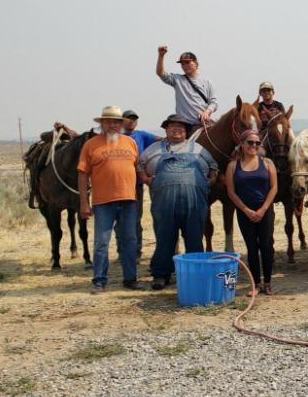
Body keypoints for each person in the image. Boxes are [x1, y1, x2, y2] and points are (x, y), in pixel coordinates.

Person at [138, 114, 218, 290]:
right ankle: (161, 275)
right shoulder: (153, 150)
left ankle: (196, 275)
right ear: (166, 129)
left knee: (194, 240)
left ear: (186, 131)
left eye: (181, 127)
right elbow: (140, 166)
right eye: (172, 126)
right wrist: (147, 179)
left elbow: (213, 167)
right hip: (164, 205)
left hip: (194, 204)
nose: (177, 129)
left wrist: (209, 182)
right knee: (165, 239)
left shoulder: (197, 148)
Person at [77, 106, 144, 293]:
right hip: (102, 203)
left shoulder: (130, 143)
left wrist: (148, 179)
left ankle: (130, 279)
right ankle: (99, 281)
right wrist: (84, 202)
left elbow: (137, 169)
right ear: (101, 124)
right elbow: (82, 175)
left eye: (116, 121)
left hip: (129, 201)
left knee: (129, 241)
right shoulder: (91, 145)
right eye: (108, 121)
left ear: (121, 124)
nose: (112, 125)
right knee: (101, 242)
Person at [226, 129, 278, 296]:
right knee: (251, 246)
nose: (254, 146)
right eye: (250, 142)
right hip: (244, 212)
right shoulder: (233, 166)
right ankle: (255, 284)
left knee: (266, 245)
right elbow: (231, 192)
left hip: (265, 211)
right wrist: (246, 210)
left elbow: (274, 188)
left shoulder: (268, 163)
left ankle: (268, 282)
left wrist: (263, 209)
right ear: (241, 144)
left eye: (257, 143)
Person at [120, 110, 160, 260]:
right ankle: (121, 249)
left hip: (137, 183)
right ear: (122, 120)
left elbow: (162, 140)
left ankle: (136, 250)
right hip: (120, 182)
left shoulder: (142, 135)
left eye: (134, 119)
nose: (131, 121)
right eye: (128, 118)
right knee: (120, 219)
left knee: (136, 217)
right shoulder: (116, 137)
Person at [155, 46, 218, 133]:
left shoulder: (207, 82)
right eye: (182, 64)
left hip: (203, 124)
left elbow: (213, 103)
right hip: (185, 126)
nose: (184, 65)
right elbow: (160, 73)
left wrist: (207, 112)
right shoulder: (177, 79)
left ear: (195, 63)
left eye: (187, 62)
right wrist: (161, 55)